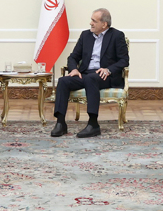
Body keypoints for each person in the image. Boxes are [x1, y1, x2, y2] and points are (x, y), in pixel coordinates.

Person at [51, 8, 129, 138]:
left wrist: (108, 69)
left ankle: (93, 124)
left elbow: (124, 60)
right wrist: (74, 69)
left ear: (104, 24)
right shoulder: (85, 35)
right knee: (63, 81)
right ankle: (60, 123)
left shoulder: (117, 36)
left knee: (91, 79)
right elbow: (73, 57)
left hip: (105, 76)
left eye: (94, 21)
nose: (90, 23)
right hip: (85, 74)